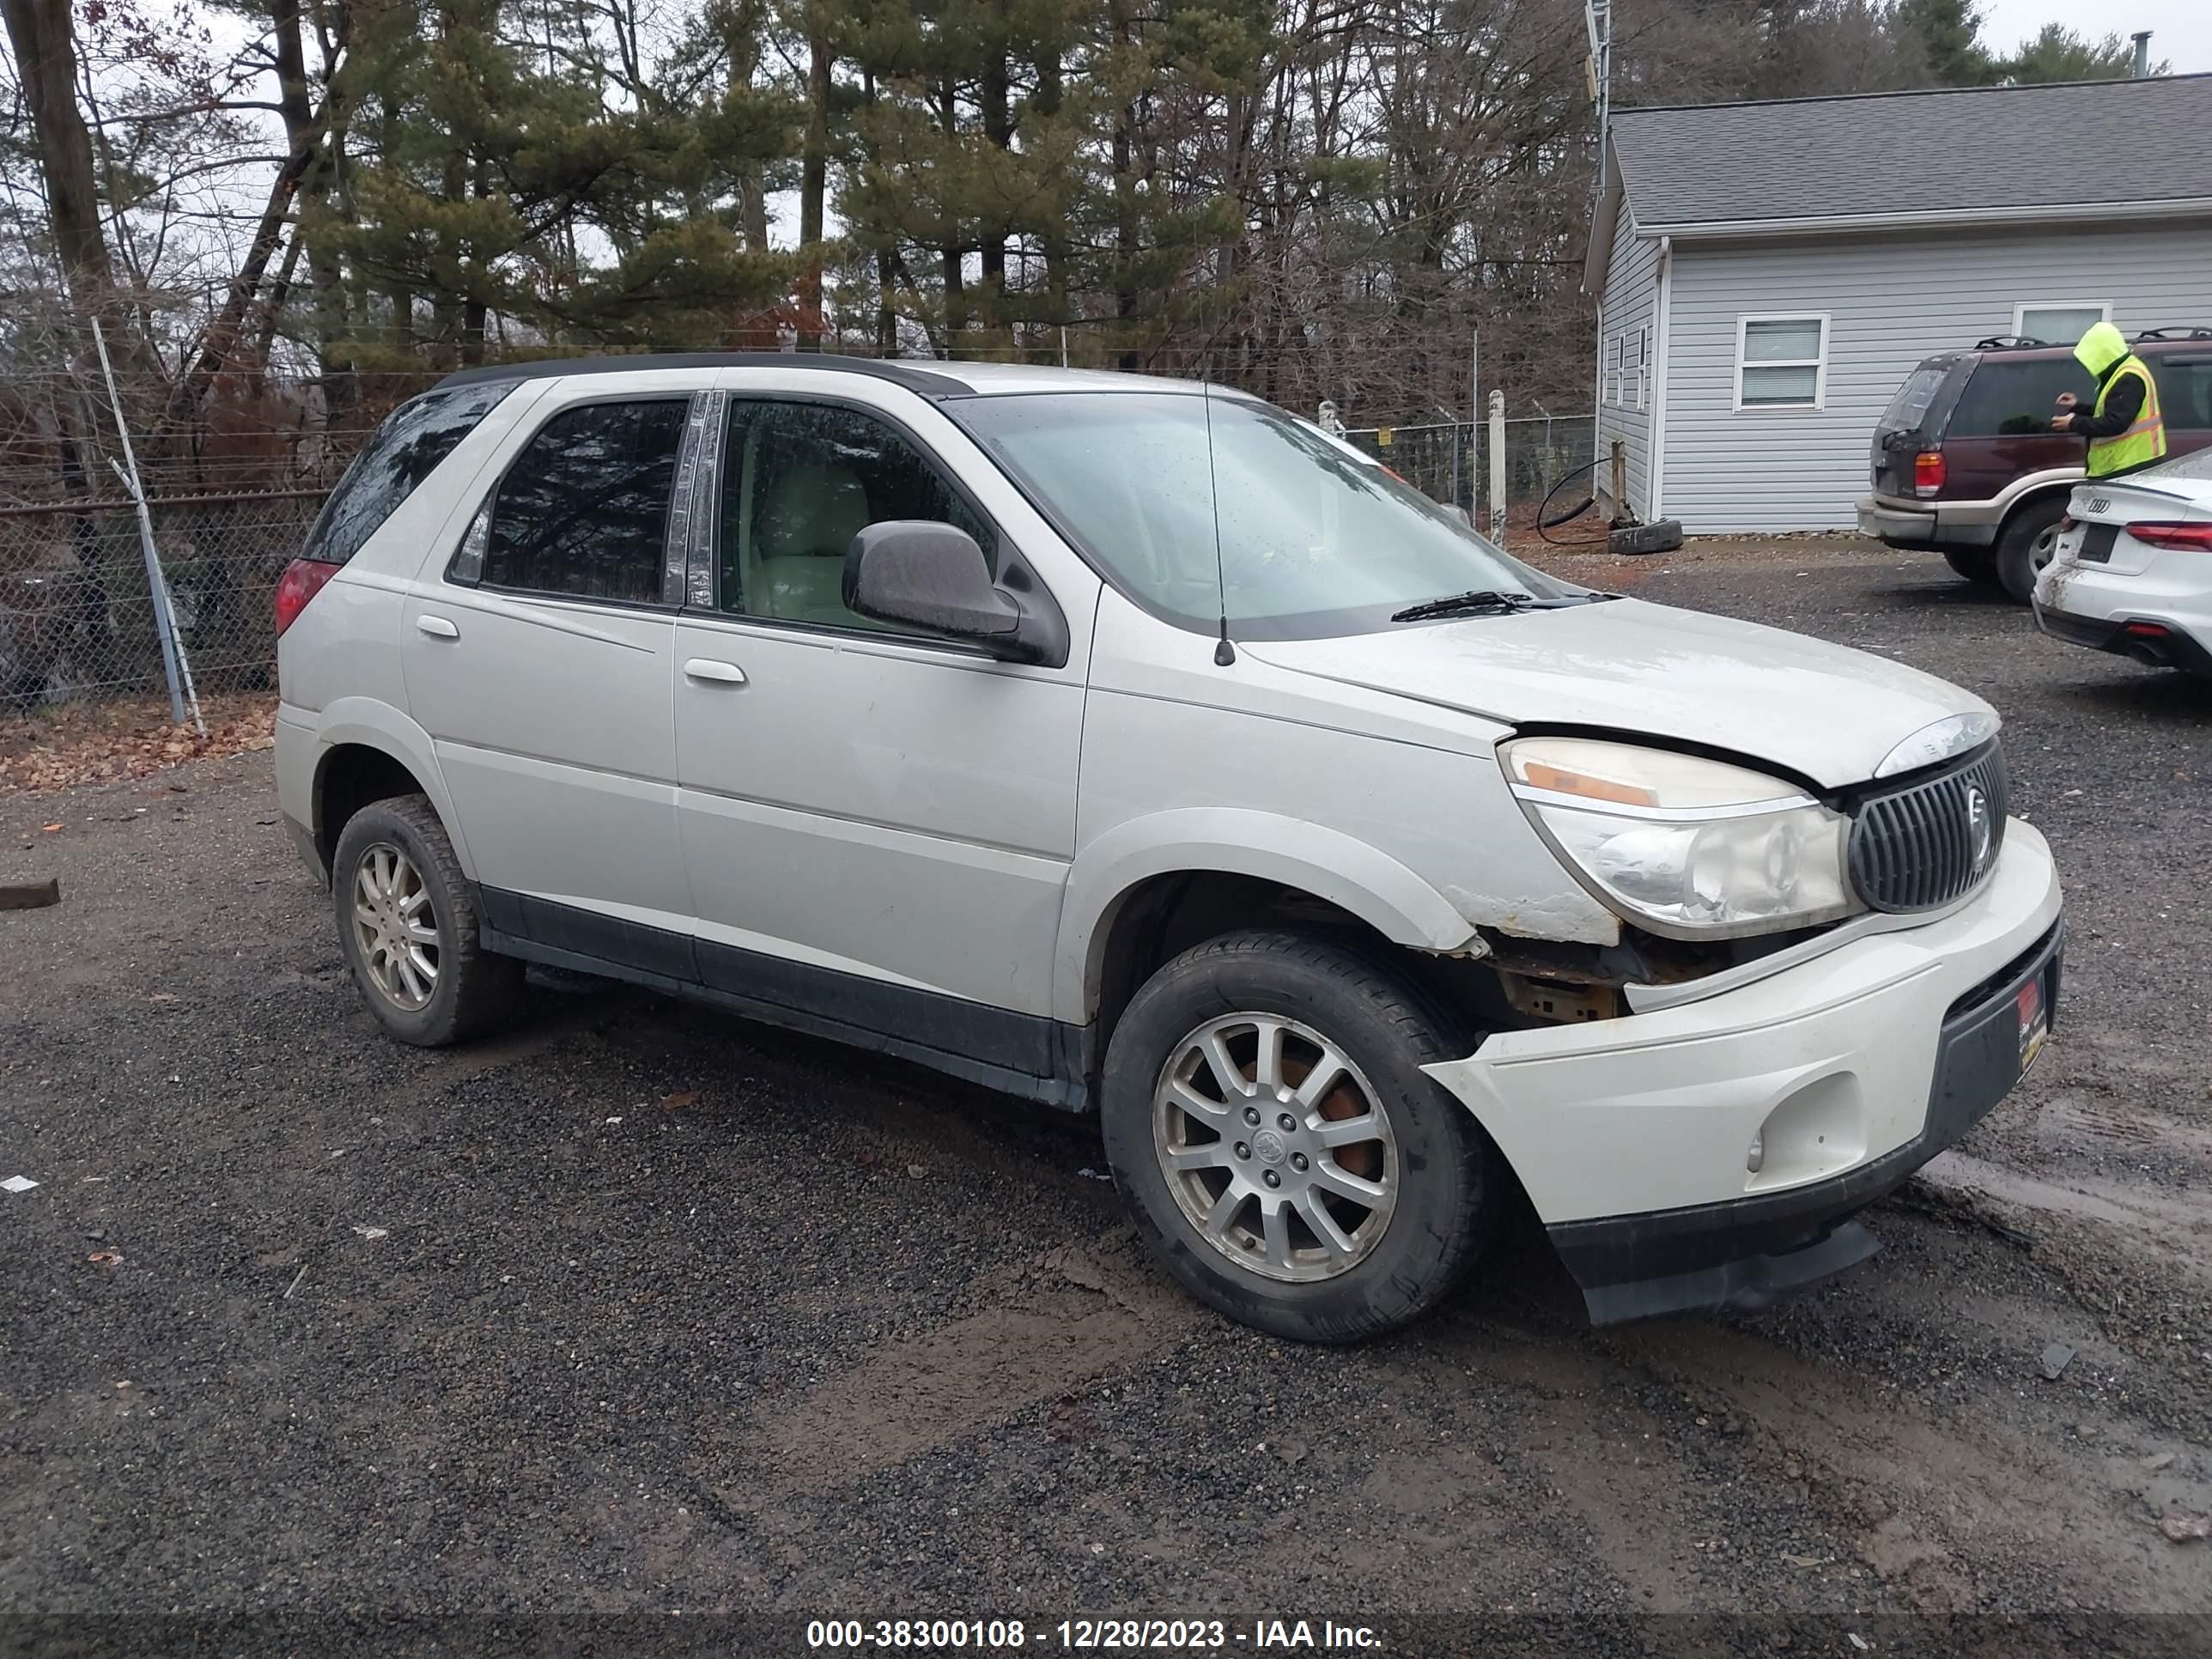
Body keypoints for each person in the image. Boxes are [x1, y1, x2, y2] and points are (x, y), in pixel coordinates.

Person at [2051, 320, 2166, 478]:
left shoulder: (2128, 378)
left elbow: (2115, 423)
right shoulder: (2125, 370)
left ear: (2102, 352)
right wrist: (2077, 406)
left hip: (2129, 466)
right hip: (2127, 463)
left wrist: (2073, 423)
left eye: (2091, 356)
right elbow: (2111, 409)